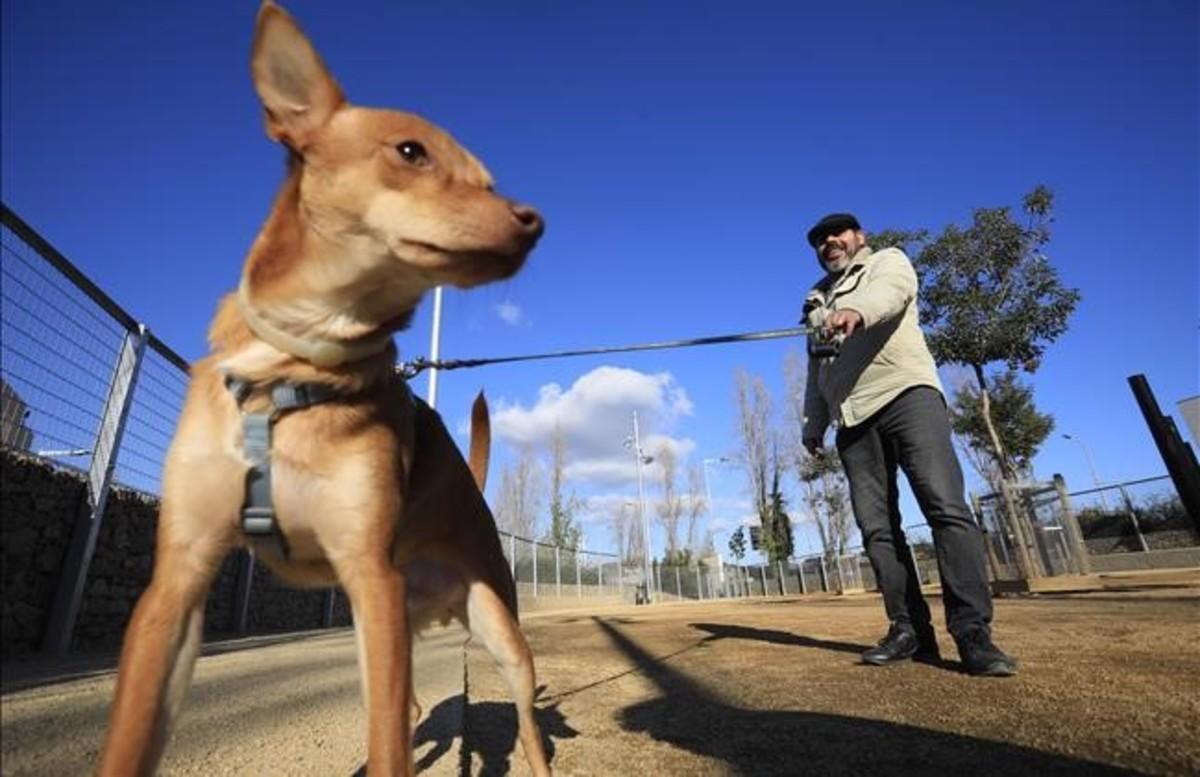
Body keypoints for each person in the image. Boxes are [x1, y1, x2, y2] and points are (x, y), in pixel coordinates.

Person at [800, 212, 1017, 677]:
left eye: (837, 233)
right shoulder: (815, 303)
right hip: (852, 418)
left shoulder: (887, 263)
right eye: (820, 240)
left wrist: (856, 312)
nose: (829, 242)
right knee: (877, 528)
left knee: (945, 508)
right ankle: (908, 630)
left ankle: (973, 634)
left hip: (907, 395)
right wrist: (812, 423)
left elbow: (890, 296)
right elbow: (814, 370)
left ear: (860, 238)